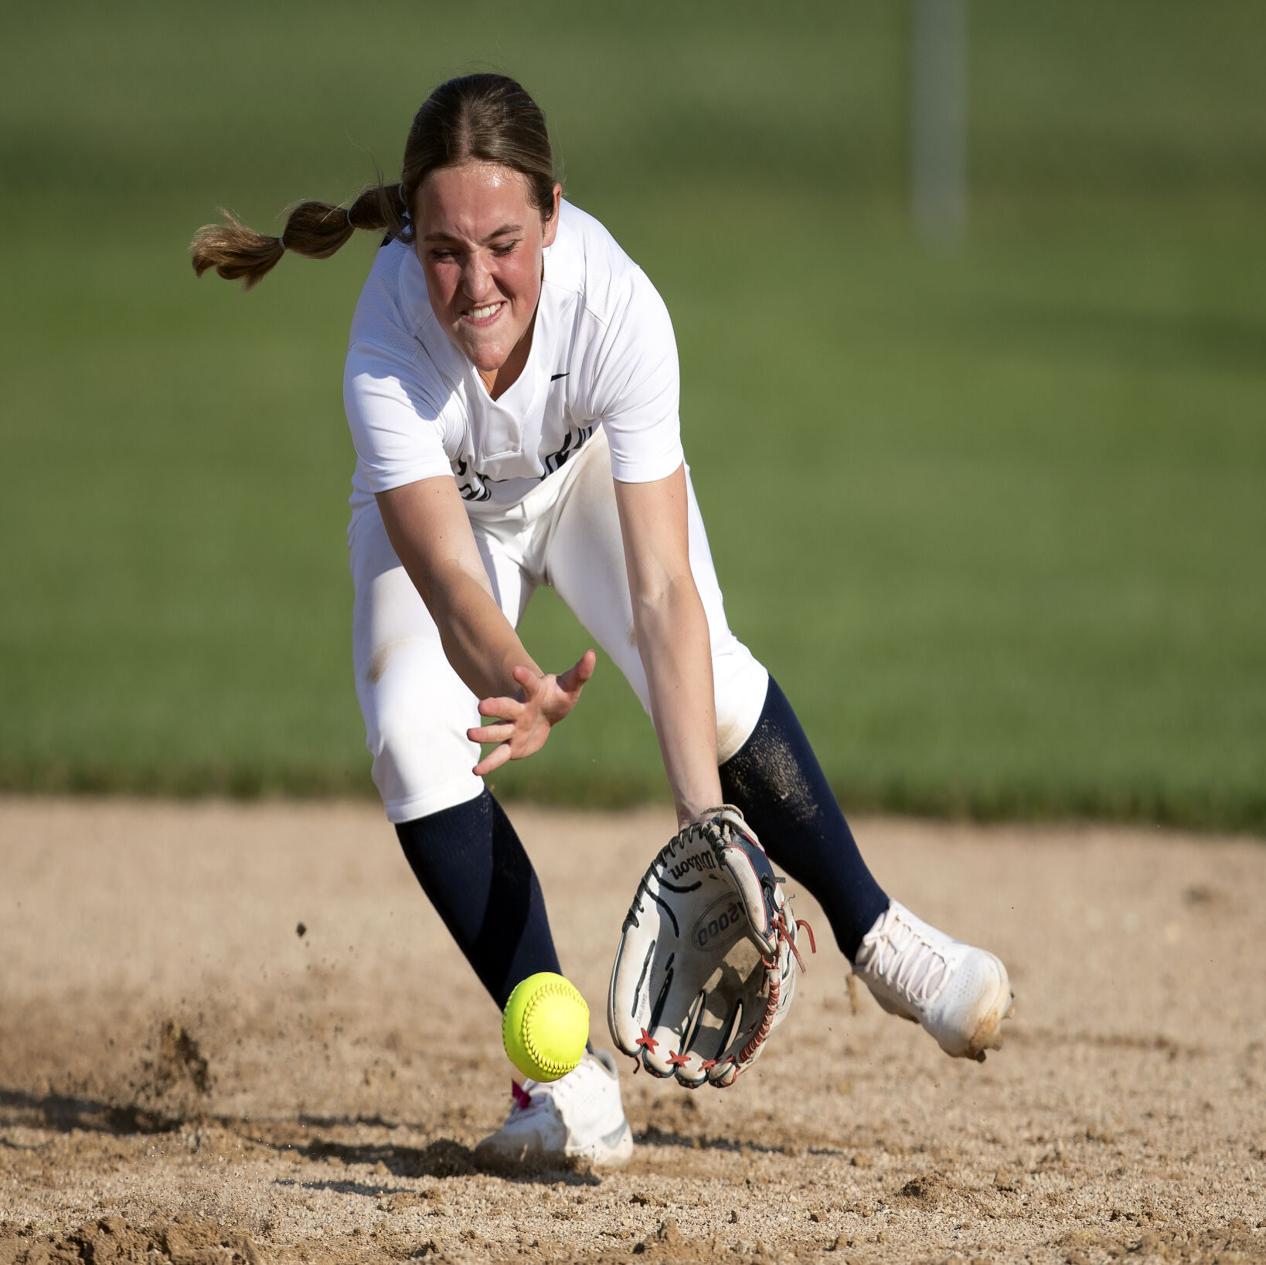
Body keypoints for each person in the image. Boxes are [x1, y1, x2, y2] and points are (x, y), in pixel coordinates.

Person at [191, 73, 1013, 1168]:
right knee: (409, 732)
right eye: (444, 249)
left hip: (579, 486)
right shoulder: (386, 343)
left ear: (554, 217)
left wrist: (704, 825)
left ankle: (884, 941)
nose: (475, 282)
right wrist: (519, 676)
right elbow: (444, 575)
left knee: (710, 681)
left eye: (502, 243)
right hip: (452, 524)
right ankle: (566, 1078)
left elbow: (663, 586)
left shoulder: (615, 302)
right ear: (411, 239)